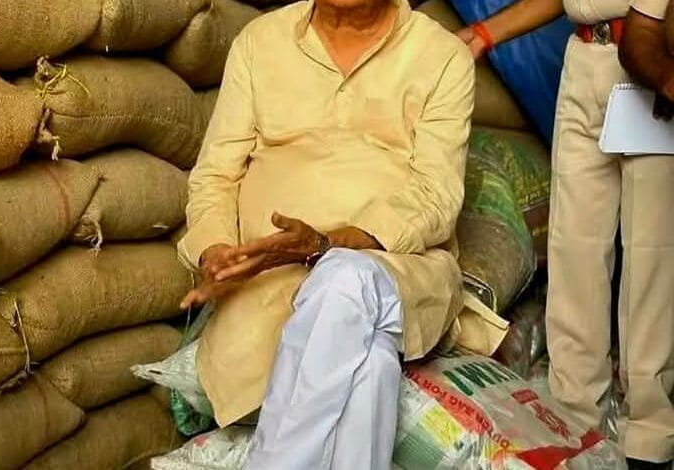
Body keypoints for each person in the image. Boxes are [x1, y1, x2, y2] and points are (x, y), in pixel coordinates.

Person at [175, 0, 509, 467]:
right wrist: (216, 251)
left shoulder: (440, 55)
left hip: (398, 270)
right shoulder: (260, 41)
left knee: (344, 278)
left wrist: (325, 244)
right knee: (370, 362)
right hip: (268, 284)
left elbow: (436, 198)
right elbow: (214, 176)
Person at [458, 1, 674, 468]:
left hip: (649, 61)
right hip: (584, 59)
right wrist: (484, 34)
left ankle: (650, 437)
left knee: (651, 255)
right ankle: (574, 419)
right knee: (574, 248)